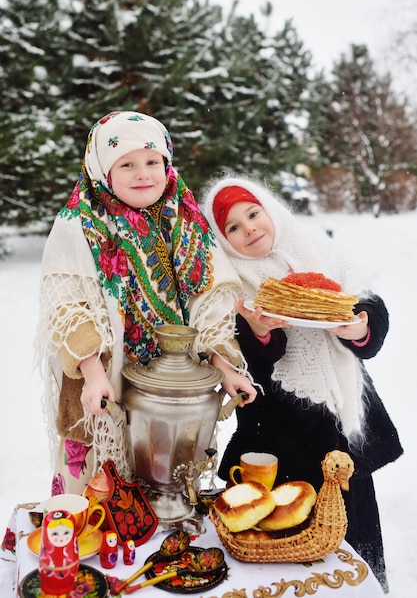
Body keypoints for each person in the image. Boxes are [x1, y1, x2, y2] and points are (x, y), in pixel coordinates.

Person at [35, 112, 255, 498]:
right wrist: (92, 372)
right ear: (103, 168)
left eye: (152, 161)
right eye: (127, 164)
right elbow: (69, 305)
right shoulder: (79, 222)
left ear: (167, 164)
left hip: (172, 392)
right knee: (96, 498)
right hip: (101, 384)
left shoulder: (186, 219)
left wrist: (224, 367)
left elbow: (210, 300)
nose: (143, 174)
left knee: (162, 486)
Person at [203, 176, 403, 593]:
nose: (249, 229)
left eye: (253, 214)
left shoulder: (318, 251)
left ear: (270, 211)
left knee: (354, 530)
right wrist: (258, 332)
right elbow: (248, 359)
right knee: (283, 541)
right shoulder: (230, 283)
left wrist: (360, 325)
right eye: (233, 228)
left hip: (342, 424)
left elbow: (366, 304)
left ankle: (368, 587)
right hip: (281, 439)